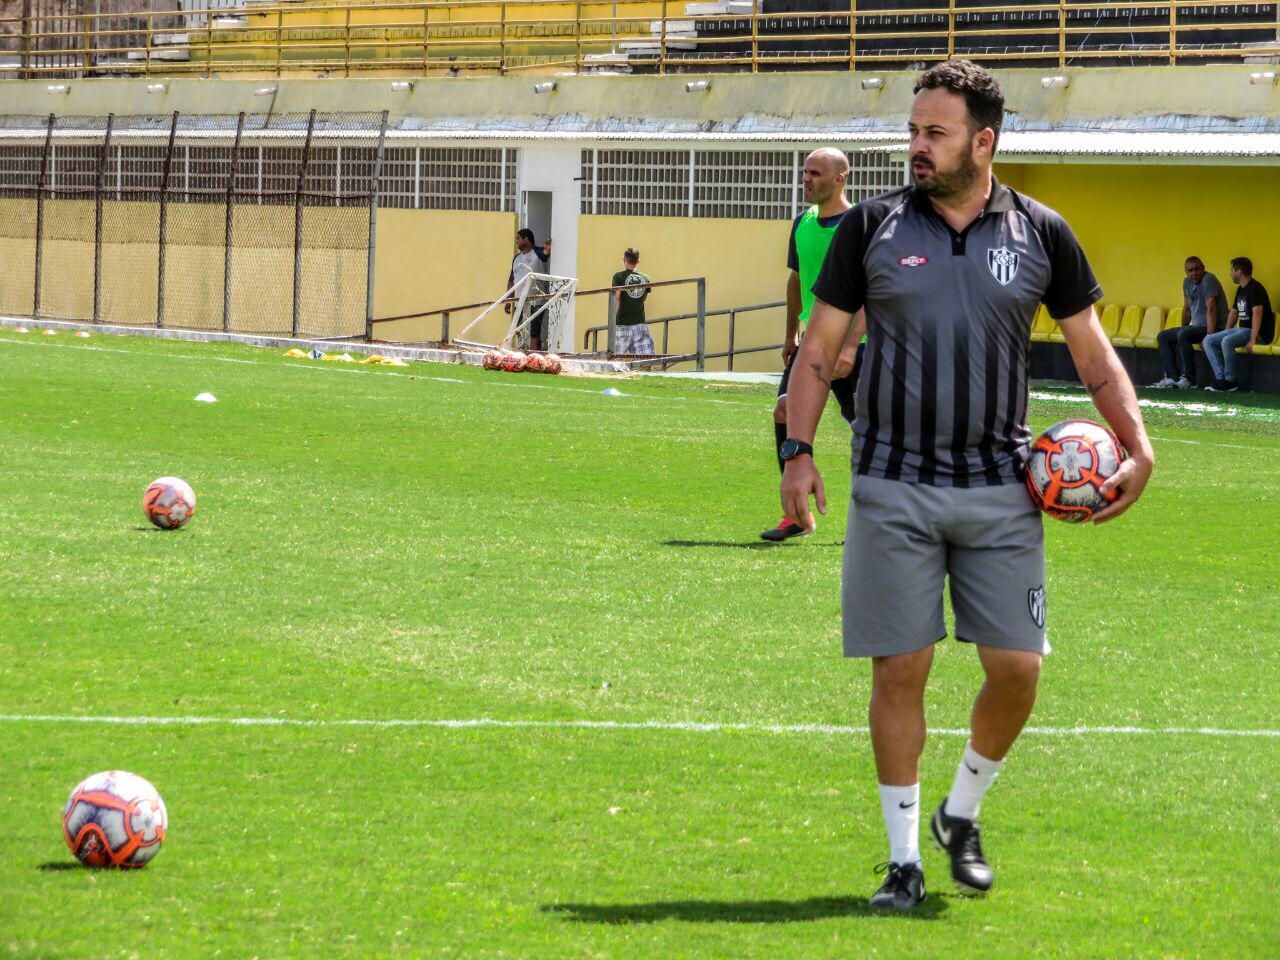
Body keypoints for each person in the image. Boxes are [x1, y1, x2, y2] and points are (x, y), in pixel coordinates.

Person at [780, 60, 1154, 911]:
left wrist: (1139, 446)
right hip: (893, 484)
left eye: (934, 133)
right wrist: (796, 451)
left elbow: (1094, 356)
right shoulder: (867, 228)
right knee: (900, 669)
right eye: (912, 130)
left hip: (1002, 487)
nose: (916, 146)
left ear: (983, 141)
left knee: (1018, 669)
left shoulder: (1042, 233)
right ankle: (904, 862)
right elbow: (817, 349)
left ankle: (962, 812)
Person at [761, 147, 865, 542]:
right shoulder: (801, 223)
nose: (806, 180)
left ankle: (877, 518)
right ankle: (796, 514)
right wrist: (791, 333)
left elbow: (872, 290)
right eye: (805, 172)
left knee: (871, 433)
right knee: (784, 411)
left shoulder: (858, 224)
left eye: (816, 173)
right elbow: (796, 279)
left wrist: (852, 345)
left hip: (860, 346)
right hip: (810, 344)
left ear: (840, 178)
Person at [1150, 256, 1225, 389]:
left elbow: (1212, 308)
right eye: (1190, 270)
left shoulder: (1209, 279)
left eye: (1197, 269)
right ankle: (1172, 378)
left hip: (1215, 327)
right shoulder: (1186, 283)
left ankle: (1190, 380)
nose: (1194, 273)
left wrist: (1209, 336)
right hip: (1196, 328)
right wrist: (1181, 331)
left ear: (1203, 268)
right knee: (1163, 336)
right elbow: (1187, 309)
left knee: (1184, 334)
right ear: (1186, 272)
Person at [1203, 257, 1274, 393]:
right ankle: (1221, 378)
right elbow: (1233, 313)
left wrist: (1253, 339)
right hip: (1241, 330)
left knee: (1227, 341)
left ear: (1239, 271)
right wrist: (1225, 331)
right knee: (1208, 340)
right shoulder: (1240, 289)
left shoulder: (1255, 288)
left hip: (1256, 332)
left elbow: (1257, 314)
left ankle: (1230, 381)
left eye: (1232, 270)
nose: (1230, 273)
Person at [506, 229, 551, 350]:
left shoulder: (537, 252)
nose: (516, 242)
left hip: (537, 298)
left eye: (518, 239)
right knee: (518, 328)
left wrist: (548, 247)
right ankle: (521, 351)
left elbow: (545, 254)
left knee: (534, 329)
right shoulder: (517, 258)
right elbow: (511, 280)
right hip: (519, 300)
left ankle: (534, 354)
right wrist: (508, 299)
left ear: (526, 239)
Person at [611, 248, 654, 355]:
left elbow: (617, 299)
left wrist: (613, 322)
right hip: (640, 324)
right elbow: (643, 298)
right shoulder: (646, 278)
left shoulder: (618, 277)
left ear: (624, 260)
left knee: (616, 361)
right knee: (645, 361)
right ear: (638, 261)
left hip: (622, 325)